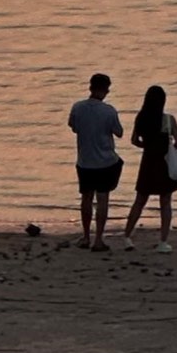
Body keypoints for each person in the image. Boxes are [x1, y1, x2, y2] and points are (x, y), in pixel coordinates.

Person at [122, 85, 177, 251]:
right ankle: (163, 241)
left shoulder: (141, 118)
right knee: (165, 202)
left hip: (148, 162)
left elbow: (134, 140)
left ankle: (127, 236)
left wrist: (147, 146)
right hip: (164, 163)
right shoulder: (168, 120)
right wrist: (169, 147)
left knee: (140, 200)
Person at [68, 76, 124, 251]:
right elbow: (119, 132)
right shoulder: (108, 111)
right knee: (102, 199)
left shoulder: (78, 107)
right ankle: (98, 238)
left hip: (85, 161)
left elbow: (73, 126)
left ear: (90, 88)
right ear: (105, 90)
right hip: (105, 161)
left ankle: (85, 236)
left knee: (86, 198)